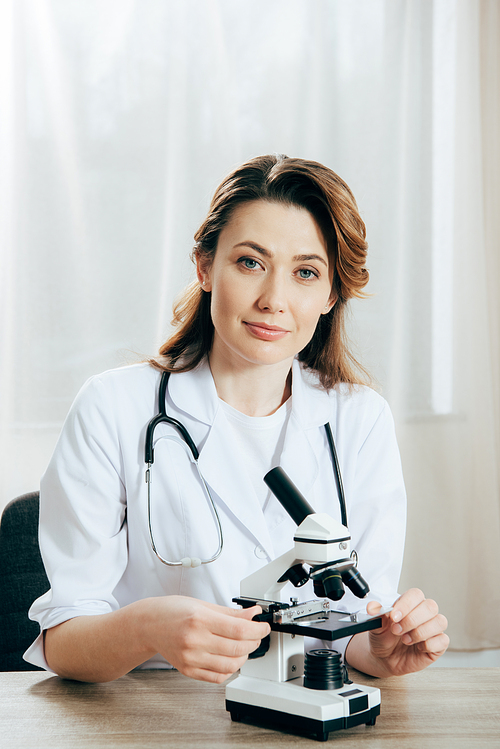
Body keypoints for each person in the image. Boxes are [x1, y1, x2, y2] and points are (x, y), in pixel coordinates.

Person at [25, 154, 449, 683]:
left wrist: (380, 651)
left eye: (305, 272)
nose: (274, 300)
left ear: (332, 293)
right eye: (251, 262)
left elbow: (358, 628)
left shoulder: (361, 420)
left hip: (298, 704)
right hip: (154, 714)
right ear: (205, 267)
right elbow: (64, 642)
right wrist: (148, 629)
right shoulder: (113, 407)